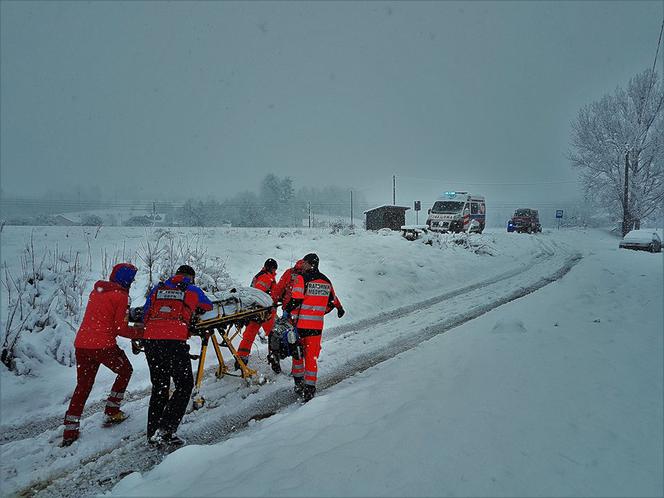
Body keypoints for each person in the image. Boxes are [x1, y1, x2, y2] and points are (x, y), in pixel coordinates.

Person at [62, 263, 143, 447]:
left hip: (82, 344)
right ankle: (112, 410)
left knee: (83, 385)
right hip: (103, 346)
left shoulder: (97, 291)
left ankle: (70, 429)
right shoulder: (121, 296)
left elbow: (104, 316)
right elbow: (120, 328)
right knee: (125, 371)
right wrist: (141, 332)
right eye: (132, 278)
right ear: (127, 280)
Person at [142, 264, 213, 446]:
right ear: (191, 277)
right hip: (173, 341)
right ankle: (166, 429)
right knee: (184, 385)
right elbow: (208, 305)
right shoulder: (192, 289)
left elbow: (145, 312)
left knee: (160, 385)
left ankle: (153, 432)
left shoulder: (158, 288)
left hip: (151, 341)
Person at [286, 253, 344, 402]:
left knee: (298, 355)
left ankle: (299, 384)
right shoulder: (326, 281)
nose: (302, 265)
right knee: (311, 358)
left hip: (299, 326)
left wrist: (287, 310)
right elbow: (333, 300)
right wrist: (338, 309)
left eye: (304, 262)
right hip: (316, 327)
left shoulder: (301, 278)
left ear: (309, 263)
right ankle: (310, 389)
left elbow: (296, 300)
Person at [268, 259, 310, 373]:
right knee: (299, 342)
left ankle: (275, 356)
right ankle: (297, 369)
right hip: (305, 313)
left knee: (279, 333)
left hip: (289, 310)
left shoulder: (290, 273)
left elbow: (279, 288)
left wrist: (274, 303)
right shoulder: (310, 275)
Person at [236, 259, 278, 369]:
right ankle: (274, 358)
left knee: (249, 335)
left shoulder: (259, 275)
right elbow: (260, 293)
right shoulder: (267, 277)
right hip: (264, 311)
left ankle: (241, 358)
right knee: (273, 334)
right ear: (272, 268)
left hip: (255, 310)